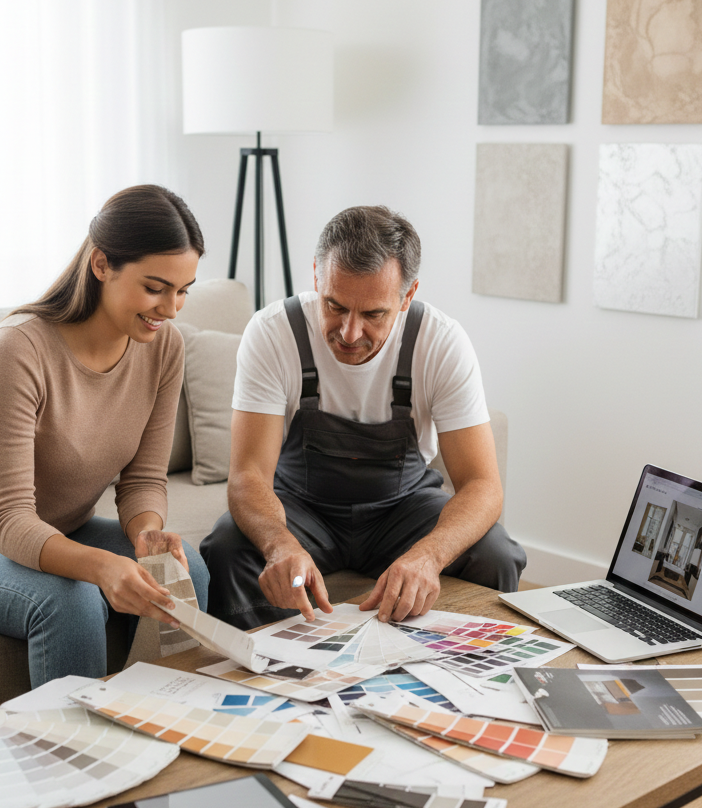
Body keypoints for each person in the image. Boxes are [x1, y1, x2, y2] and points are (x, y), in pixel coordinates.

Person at [0, 184, 210, 687]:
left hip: (64, 529)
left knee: (185, 571)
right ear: (102, 264)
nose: (171, 309)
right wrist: (102, 567)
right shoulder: (18, 349)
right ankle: (72, 753)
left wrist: (145, 536)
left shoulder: (163, 346)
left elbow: (144, 479)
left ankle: (165, 725)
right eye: (156, 288)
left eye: (183, 290)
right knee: (73, 597)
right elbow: (8, 520)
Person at [200, 205, 526, 630]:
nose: (350, 333)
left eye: (373, 314)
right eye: (334, 305)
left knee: (496, 554)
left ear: (407, 297)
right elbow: (248, 476)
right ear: (317, 276)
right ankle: (266, 674)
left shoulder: (441, 342)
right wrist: (280, 544)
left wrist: (428, 556)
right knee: (227, 547)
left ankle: (466, 679)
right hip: (301, 507)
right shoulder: (273, 333)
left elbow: (483, 486)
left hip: (404, 508)